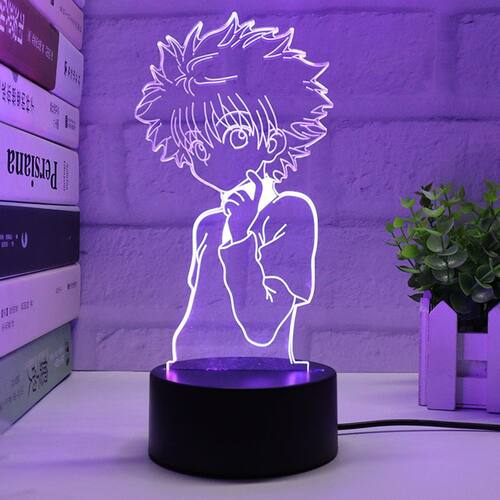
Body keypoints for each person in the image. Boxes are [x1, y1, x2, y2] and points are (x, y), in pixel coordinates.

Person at [135, 12, 332, 368]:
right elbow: (201, 310)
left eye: (234, 135)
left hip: (262, 375)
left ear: (273, 142)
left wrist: (241, 237)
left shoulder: (291, 212)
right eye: (196, 144)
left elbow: (263, 326)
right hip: (189, 371)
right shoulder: (208, 225)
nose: (210, 154)